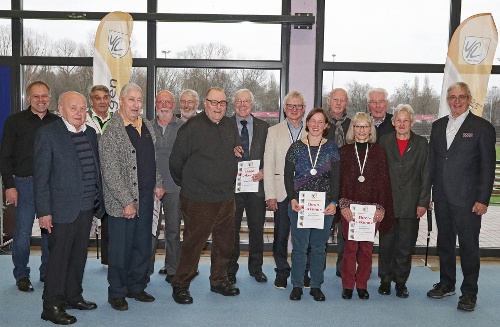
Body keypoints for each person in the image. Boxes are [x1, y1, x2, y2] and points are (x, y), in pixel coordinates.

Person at [34, 91, 105, 325]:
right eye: (73, 108)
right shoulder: (48, 134)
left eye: (83, 108)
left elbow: (94, 170)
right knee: (59, 260)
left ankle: (73, 296)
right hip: (60, 211)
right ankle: (51, 305)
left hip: (86, 208)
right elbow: (41, 178)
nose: (79, 112)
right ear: (61, 109)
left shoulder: (91, 134)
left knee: (78, 257)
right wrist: (44, 211)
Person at [427, 82, 496, 312]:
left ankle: (469, 292)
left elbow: (488, 168)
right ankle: (447, 283)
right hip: (442, 197)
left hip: (468, 200)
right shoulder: (437, 127)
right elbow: (432, 164)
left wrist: (483, 199)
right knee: (444, 243)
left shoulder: (482, 127)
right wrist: (428, 194)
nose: (457, 101)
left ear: (469, 99)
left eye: (461, 97)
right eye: (453, 97)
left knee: (468, 246)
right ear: (448, 99)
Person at [169, 87, 240, 304]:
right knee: (193, 245)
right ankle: (180, 284)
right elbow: (176, 163)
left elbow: (234, 151)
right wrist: (191, 185)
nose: (218, 107)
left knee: (225, 244)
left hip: (226, 197)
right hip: (198, 199)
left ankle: (218, 281)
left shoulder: (230, 125)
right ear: (206, 103)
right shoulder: (191, 127)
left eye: (222, 103)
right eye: (214, 102)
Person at [100, 83, 165, 311]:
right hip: (123, 203)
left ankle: (136, 286)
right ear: (121, 100)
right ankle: (117, 292)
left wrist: (157, 183)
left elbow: (152, 160)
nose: (136, 104)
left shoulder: (146, 125)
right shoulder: (112, 130)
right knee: (120, 249)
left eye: (139, 100)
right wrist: (126, 201)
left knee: (142, 245)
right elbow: (109, 171)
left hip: (147, 198)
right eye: (131, 100)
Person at [0, 81, 59, 292]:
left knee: (49, 231)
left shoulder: (57, 122)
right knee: (23, 232)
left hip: (51, 185)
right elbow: (4, 156)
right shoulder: (14, 121)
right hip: (23, 183)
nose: (41, 100)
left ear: (49, 97)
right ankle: (22, 275)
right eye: (36, 96)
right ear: (28, 98)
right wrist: (9, 185)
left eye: (44, 96)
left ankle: (47, 272)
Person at [285, 108, 340, 302]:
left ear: (326, 126)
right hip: (299, 204)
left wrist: (334, 202)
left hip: (324, 206)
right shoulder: (295, 147)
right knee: (299, 247)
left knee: (318, 247)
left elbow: (336, 179)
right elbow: (287, 176)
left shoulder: (332, 148)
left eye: (320, 122)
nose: (316, 125)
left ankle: (316, 285)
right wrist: (291, 198)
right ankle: (297, 285)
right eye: (312, 121)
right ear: (307, 123)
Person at [338, 112, 394, 300]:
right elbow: (341, 182)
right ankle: (347, 285)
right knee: (350, 249)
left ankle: (361, 284)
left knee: (367, 250)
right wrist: (343, 205)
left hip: (371, 210)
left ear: (371, 129)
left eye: (365, 126)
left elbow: (383, 182)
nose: (361, 130)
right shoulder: (344, 152)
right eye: (358, 126)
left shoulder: (379, 152)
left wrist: (381, 207)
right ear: (352, 129)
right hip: (350, 209)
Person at [378, 104, 430, 298]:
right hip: (388, 204)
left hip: (411, 203)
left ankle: (400, 282)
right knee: (386, 244)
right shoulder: (383, 142)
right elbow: (379, 175)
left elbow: (426, 174)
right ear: (393, 123)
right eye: (398, 120)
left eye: (405, 120)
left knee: (405, 246)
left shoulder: (421, 143)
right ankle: (385, 280)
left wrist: (423, 202)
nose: (401, 124)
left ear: (412, 122)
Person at [264, 91, 307, 289]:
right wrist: (270, 194)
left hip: (306, 193)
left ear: (303, 109)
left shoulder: (312, 130)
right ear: (284, 108)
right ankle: (282, 271)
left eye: (298, 106)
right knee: (281, 236)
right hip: (281, 192)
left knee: (303, 237)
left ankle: (302, 271)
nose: (294, 109)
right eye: (290, 106)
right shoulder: (274, 131)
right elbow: (269, 164)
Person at [228, 89, 270, 284]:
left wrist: (265, 171)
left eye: (246, 101)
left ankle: (256, 268)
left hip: (256, 185)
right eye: (238, 101)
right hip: (232, 187)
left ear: (252, 104)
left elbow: (270, 156)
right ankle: (230, 269)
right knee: (231, 230)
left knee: (256, 229)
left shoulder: (264, 127)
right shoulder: (225, 125)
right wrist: (230, 152)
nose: (242, 105)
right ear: (233, 104)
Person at [148, 90, 184, 283]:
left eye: (167, 102)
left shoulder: (183, 127)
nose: (164, 105)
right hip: (152, 187)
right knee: (150, 231)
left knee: (173, 231)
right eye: (160, 101)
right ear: (155, 104)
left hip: (176, 188)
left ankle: (173, 269)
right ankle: (145, 270)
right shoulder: (146, 126)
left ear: (173, 105)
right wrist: (155, 183)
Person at [86, 85, 112, 268]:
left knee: (110, 219)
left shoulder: (118, 120)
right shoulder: (84, 120)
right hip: (89, 177)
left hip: (111, 178)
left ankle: (108, 259)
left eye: (105, 97)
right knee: (85, 217)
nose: (102, 101)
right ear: (91, 100)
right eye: (97, 98)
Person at [326, 88, 351, 278]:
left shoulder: (352, 125)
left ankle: (343, 267)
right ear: (329, 101)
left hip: (347, 183)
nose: (338, 103)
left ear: (346, 104)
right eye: (335, 99)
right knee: (321, 227)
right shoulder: (320, 123)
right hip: (323, 183)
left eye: (342, 100)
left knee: (345, 228)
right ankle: (316, 267)